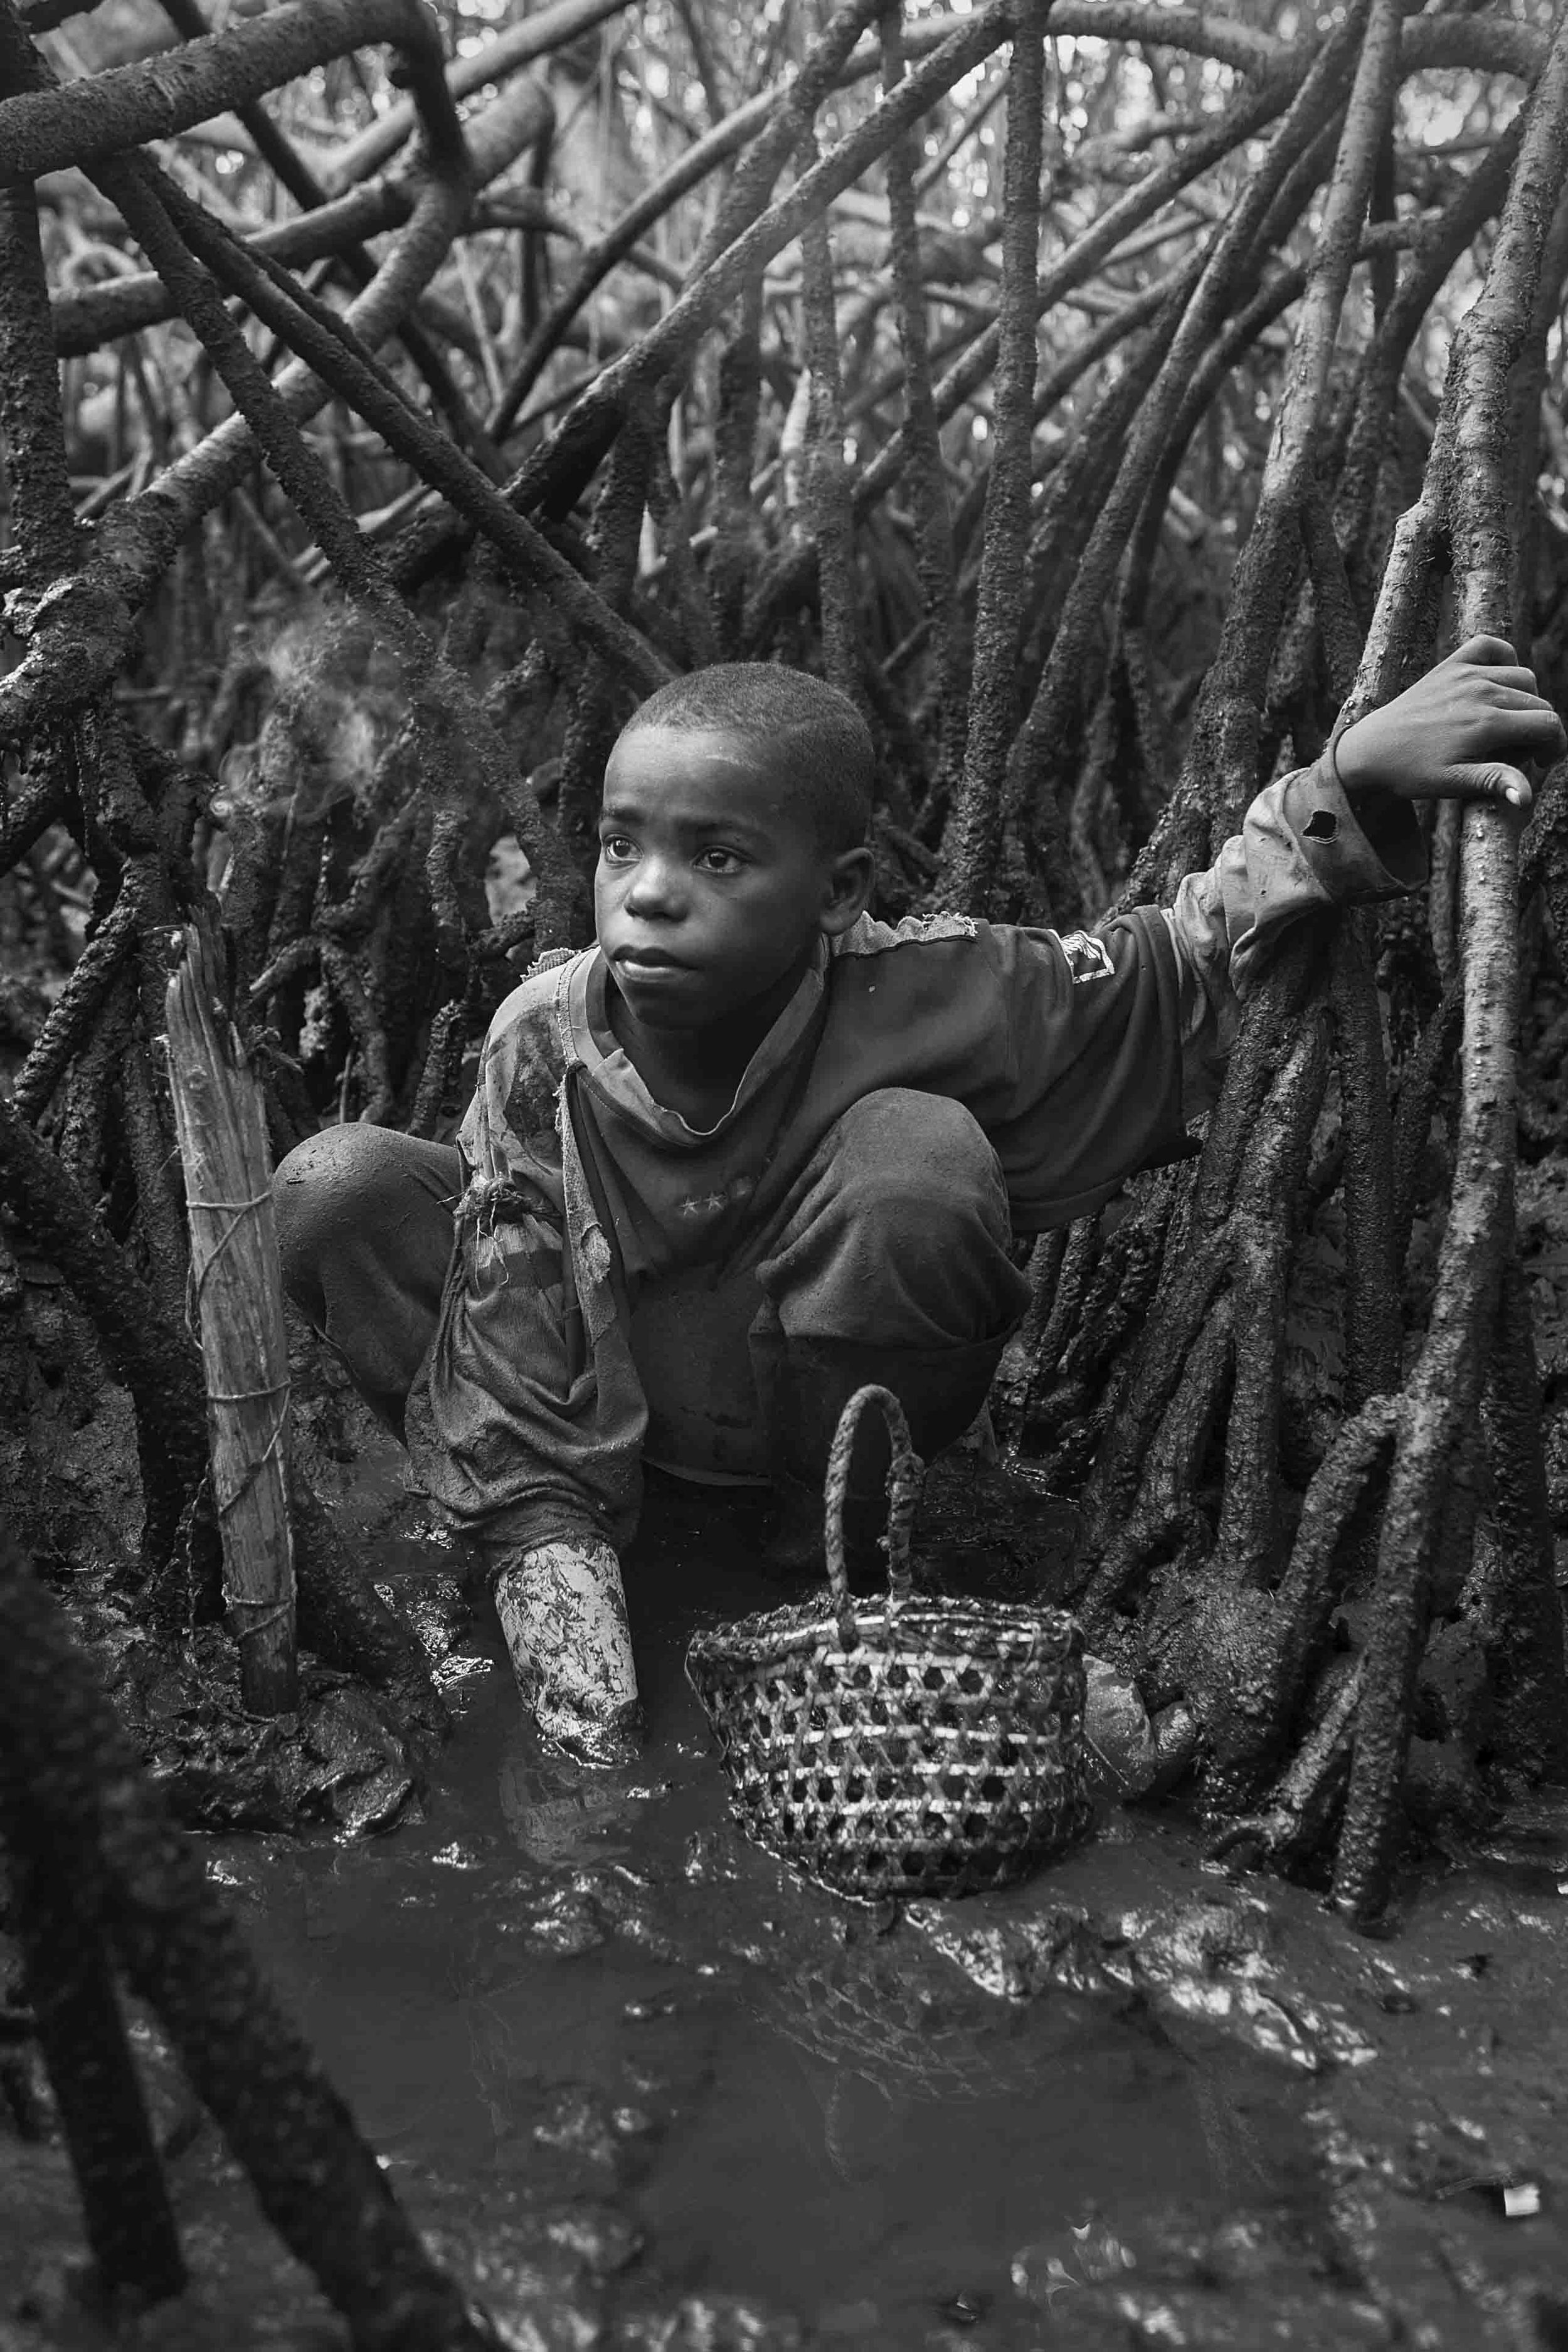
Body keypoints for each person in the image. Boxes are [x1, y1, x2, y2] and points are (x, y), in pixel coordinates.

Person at [273, 637, 1565, 1762]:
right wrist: (585, 1739)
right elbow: (509, 1360)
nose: (649, 891)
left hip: (802, 1428)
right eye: (621, 846)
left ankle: (812, 1565)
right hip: (582, 1400)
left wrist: (1343, 788)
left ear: (835, 896)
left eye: (716, 857)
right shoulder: (540, 1041)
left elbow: (1173, 960)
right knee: (335, 1189)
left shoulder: (934, 990)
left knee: (917, 1163)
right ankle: (521, 1538)